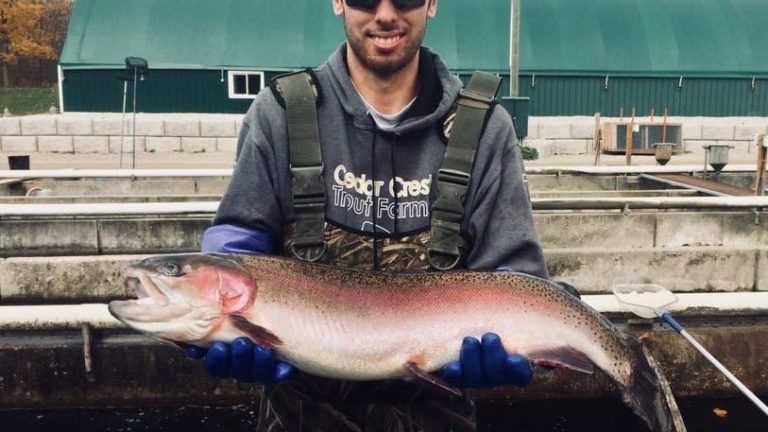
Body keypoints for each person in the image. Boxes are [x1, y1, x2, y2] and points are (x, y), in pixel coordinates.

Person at [189, 0, 553, 430]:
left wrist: (522, 345)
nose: (385, 14)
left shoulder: (487, 127)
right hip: (299, 416)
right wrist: (216, 305)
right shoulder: (282, 113)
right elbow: (238, 241)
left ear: (432, 3)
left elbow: (518, 273)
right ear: (338, 1)